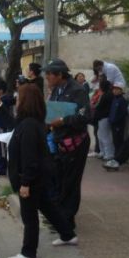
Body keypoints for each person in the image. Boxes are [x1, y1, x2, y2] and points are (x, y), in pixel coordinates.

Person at [6, 83, 78, 258]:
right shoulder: (31, 122)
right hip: (38, 176)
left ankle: (29, 252)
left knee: (29, 216)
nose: (16, 100)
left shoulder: (30, 125)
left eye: (19, 97)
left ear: (26, 101)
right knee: (47, 207)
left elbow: (30, 158)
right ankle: (67, 234)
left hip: (31, 177)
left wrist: (25, 183)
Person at [44, 59, 91, 230]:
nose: (47, 77)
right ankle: (59, 215)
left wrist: (63, 121)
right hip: (59, 141)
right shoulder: (56, 90)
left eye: (49, 74)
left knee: (71, 181)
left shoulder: (77, 91)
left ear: (60, 74)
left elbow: (85, 117)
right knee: (59, 179)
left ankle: (67, 221)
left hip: (75, 143)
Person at [104, 83, 128, 170]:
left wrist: (116, 121)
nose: (115, 91)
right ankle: (116, 157)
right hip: (113, 123)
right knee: (115, 141)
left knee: (118, 141)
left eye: (117, 89)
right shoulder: (114, 99)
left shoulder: (122, 100)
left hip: (119, 125)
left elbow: (123, 113)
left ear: (121, 90)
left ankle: (118, 158)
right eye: (114, 89)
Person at [93, 79, 115, 166]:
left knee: (105, 136)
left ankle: (108, 154)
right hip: (102, 117)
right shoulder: (106, 94)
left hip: (104, 117)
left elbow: (100, 106)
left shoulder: (107, 95)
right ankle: (103, 152)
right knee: (100, 135)